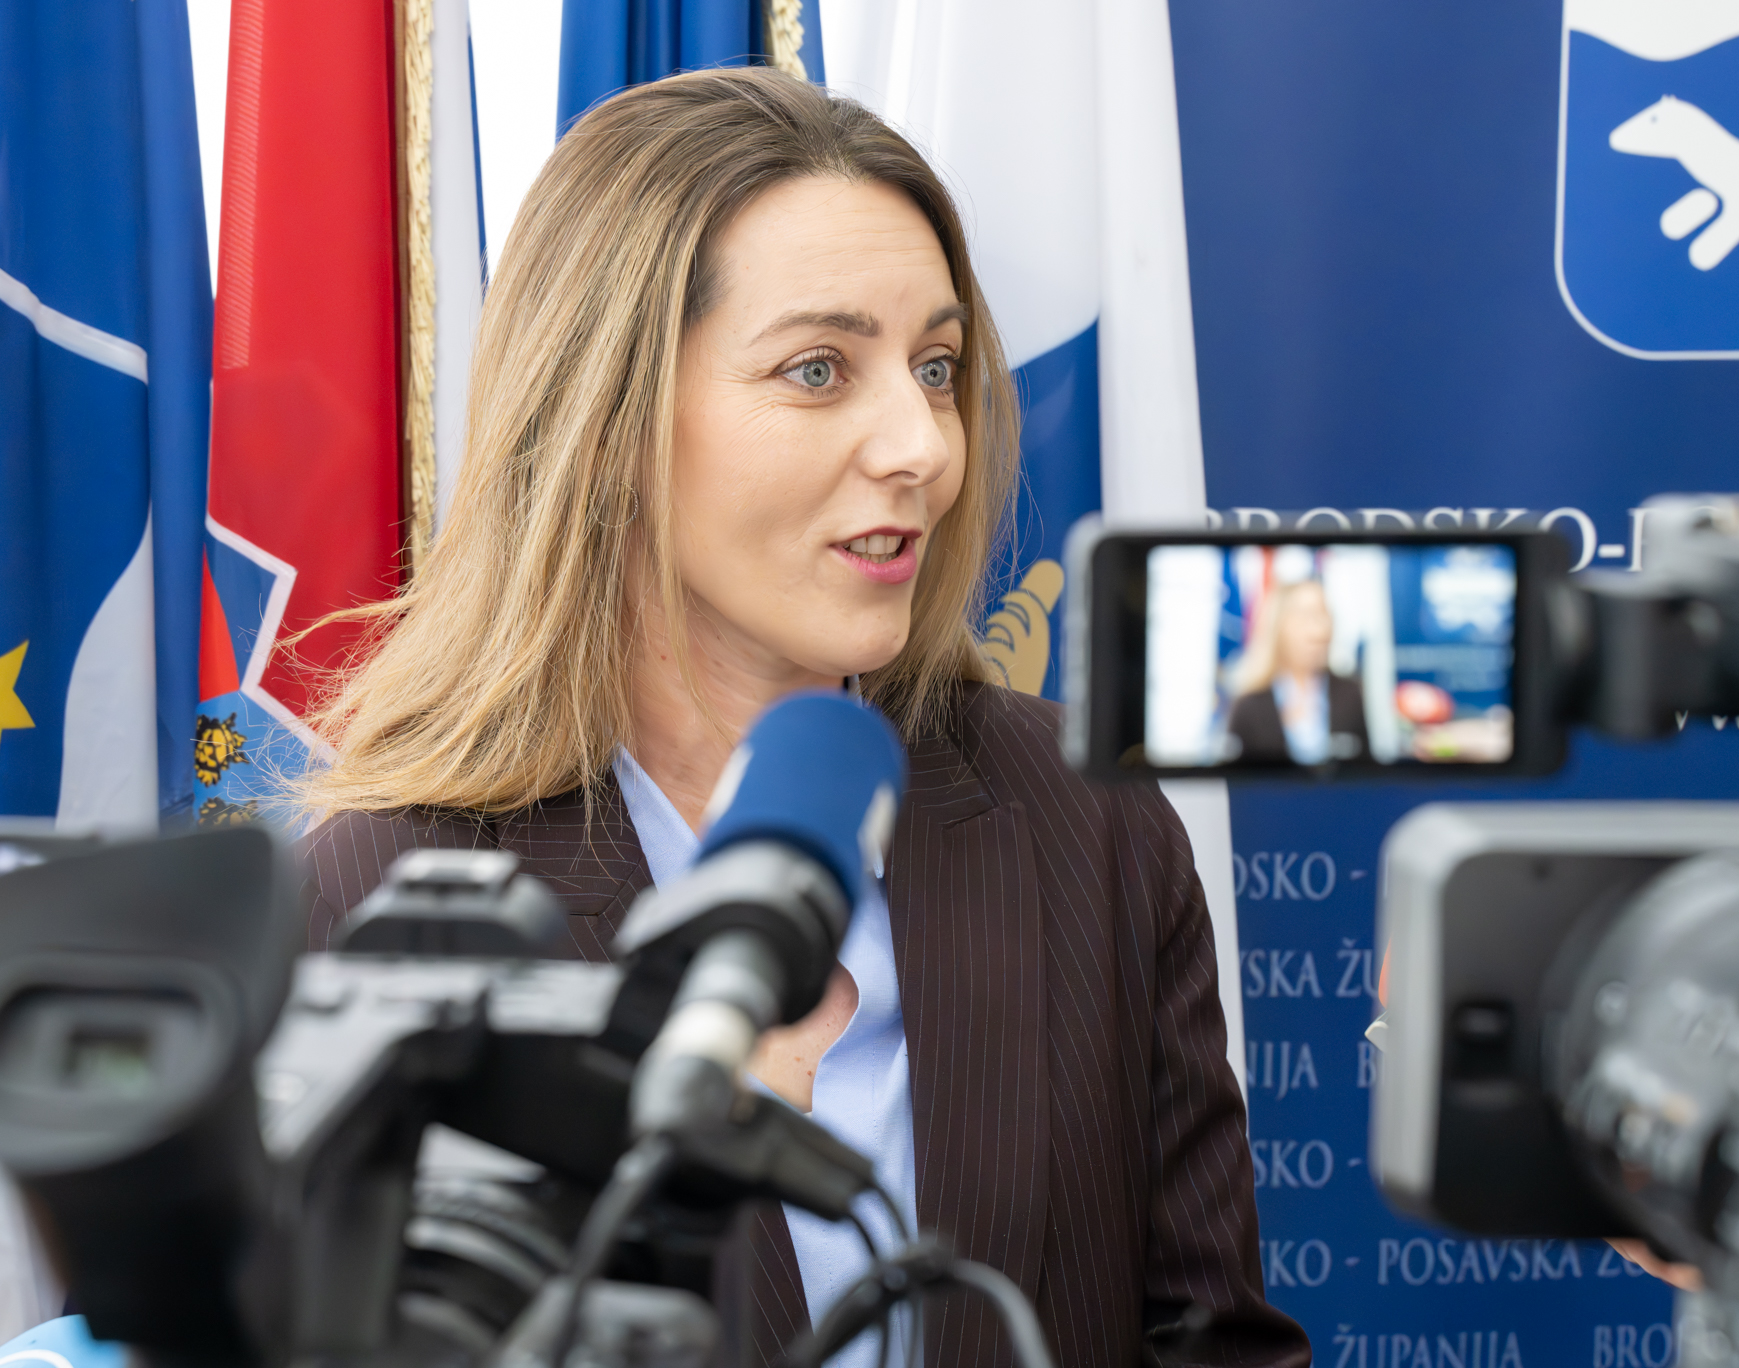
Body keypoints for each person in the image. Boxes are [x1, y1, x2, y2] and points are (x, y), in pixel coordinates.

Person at [294, 68, 1307, 1368]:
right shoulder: (384, 892)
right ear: (607, 421)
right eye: (818, 369)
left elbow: (1215, 1347)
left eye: (935, 367)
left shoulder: (1083, 817)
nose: (922, 446)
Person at [1226, 580, 1368, 765]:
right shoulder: (1249, 705)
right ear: (1279, 626)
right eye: (1307, 617)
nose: (1321, 630)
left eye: (1325, 615)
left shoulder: (1351, 694)